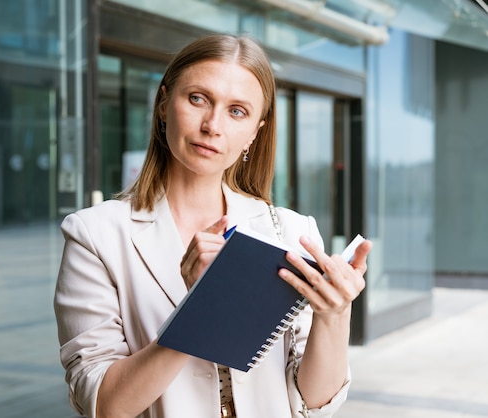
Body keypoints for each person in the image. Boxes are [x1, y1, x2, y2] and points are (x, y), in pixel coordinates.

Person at [54, 34, 372, 418]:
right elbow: (104, 404)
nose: (212, 125)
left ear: (255, 131)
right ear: (163, 105)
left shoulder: (291, 231)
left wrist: (335, 315)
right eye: (198, 99)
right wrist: (202, 310)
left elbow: (315, 402)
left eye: (237, 111)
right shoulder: (95, 234)